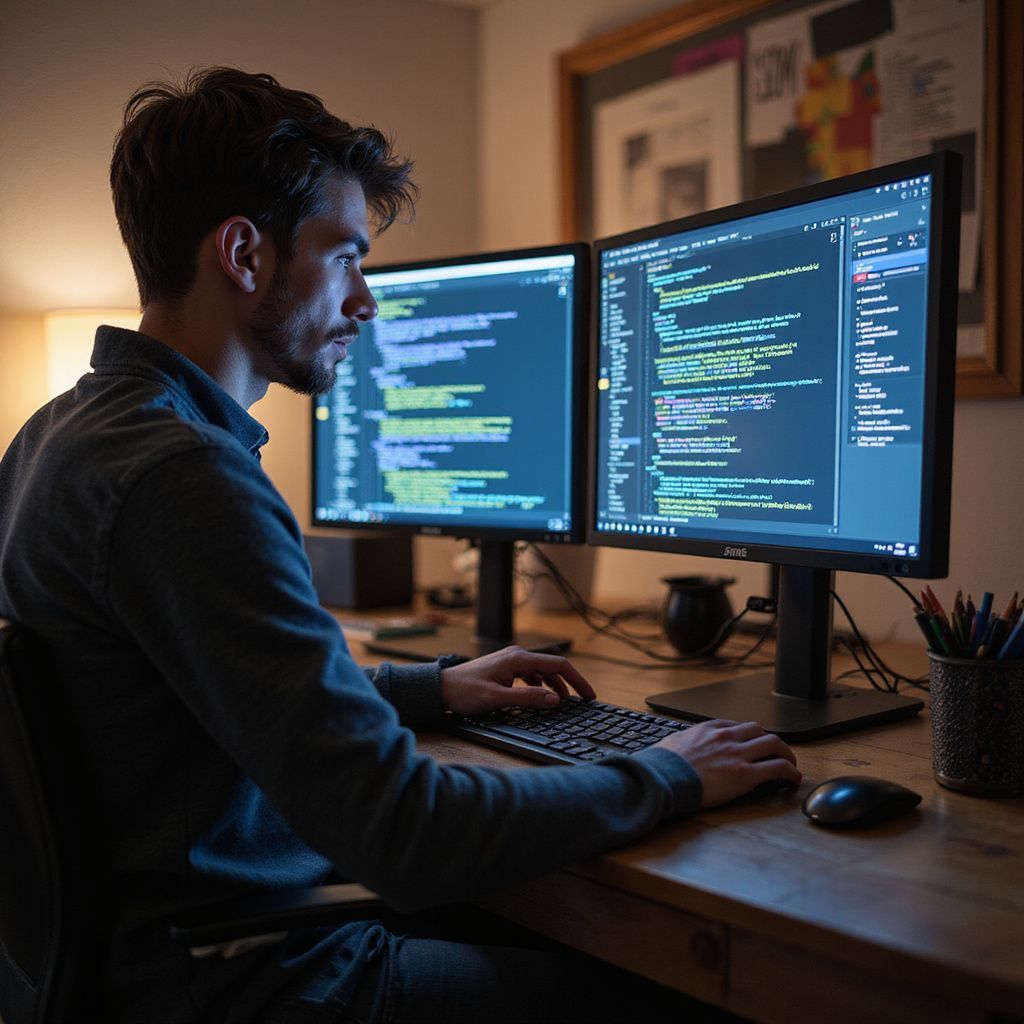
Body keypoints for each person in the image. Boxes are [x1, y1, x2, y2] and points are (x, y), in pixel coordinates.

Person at [0, 67, 800, 1023]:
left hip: (168, 950)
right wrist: (670, 773)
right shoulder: (185, 478)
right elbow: (404, 833)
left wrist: (430, 687)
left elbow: (188, 696)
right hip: (257, 976)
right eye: (346, 256)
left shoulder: (59, 432)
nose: (366, 302)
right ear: (245, 254)